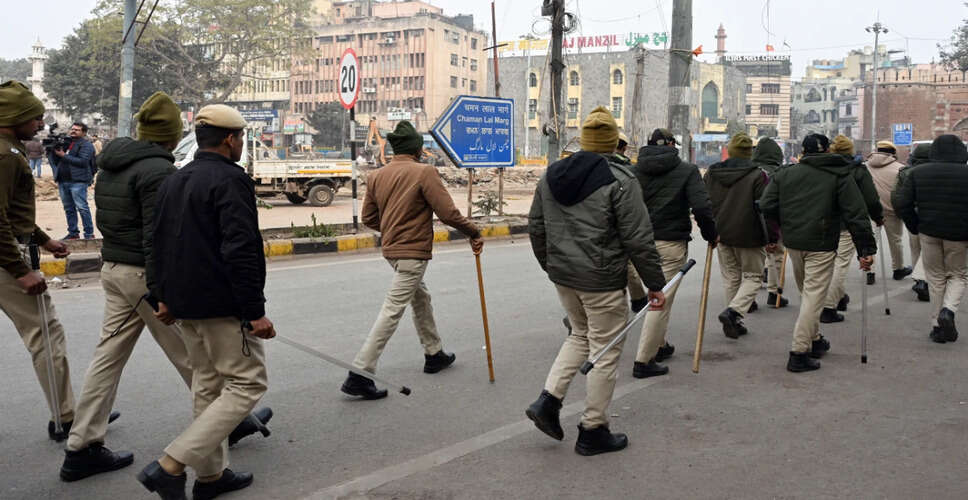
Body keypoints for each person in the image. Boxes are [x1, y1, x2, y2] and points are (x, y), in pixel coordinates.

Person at [60, 93, 271, 483]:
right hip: (151, 278)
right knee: (210, 367)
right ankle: (207, 438)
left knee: (112, 358)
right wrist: (162, 294)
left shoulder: (113, 166)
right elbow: (161, 238)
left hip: (114, 268)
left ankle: (82, 443)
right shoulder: (164, 172)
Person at [137, 105, 275, 500]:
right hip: (221, 304)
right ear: (230, 139)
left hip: (183, 305)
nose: (241, 144)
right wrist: (254, 311)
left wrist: (161, 296)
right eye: (241, 138)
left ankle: (212, 477)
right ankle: (171, 464)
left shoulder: (175, 179)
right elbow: (240, 248)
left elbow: (156, 243)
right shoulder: (231, 180)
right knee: (248, 383)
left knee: (207, 386)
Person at [525, 106, 666, 456]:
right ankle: (593, 429)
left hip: (564, 276)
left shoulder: (552, 175)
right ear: (612, 142)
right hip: (601, 280)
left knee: (580, 334)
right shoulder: (621, 180)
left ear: (585, 141)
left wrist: (551, 267)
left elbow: (536, 227)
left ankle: (548, 401)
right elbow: (638, 239)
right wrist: (655, 284)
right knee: (605, 350)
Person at [341, 121, 483, 400]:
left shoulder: (377, 175)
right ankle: (360, 373)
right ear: (417, 149)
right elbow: (448, 213)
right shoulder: (424, 172)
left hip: (392, 251)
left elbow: (369, 218)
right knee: (392, 310)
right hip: (412, 253)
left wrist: (392, 229)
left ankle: (434, 353)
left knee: (421, 298)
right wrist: (474, 232)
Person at [0, 80, 77, 440]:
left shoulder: (10, 152)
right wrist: (20, 271)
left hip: (15, 249)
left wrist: (44, 241)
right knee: (46, 334)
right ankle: (66, 419)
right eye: (34, 117)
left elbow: (12, 213)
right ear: (13, 118)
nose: (40, 124)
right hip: (7, 259)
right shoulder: (5, 157)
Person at [760, 133, 876, 373]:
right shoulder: (838, 175)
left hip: (794, 242)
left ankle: (814, 339)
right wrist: (865, 249)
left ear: (803, 151)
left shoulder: (785, 174)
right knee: (812, 297)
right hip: (821, 243)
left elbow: (766, 204)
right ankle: (799, 351)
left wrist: (784, 223)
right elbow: (855, 213)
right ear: (827, 151)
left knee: (807, 294)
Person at [631, 128, 717, 378]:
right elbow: (701, 207)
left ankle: (659, 344)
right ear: (671, 145)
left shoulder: (633, 171)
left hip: (638, 243)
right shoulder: (687, 171)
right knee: (660, 301)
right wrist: (711, 234)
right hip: (670, 243)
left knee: (655, 296)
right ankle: (644, 360)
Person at [894, 134, 968, 344]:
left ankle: (937, 326)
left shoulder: (918, 172)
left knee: (935, 277)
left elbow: (902, 202)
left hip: (929, 232)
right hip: (960, 234)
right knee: (958, 275)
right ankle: (948, 311)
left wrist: (915, 225)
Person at [705, 133, 776, 339]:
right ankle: (733, 312)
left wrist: (710, 231)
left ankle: (734, 321)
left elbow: (705, 203)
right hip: (749, 234)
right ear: (749, 153)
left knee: (731, 278)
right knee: (753, 277)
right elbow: (766, 209)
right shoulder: (758, 175)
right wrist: (772, 237)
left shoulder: (711, 173)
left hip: (722, 233)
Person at [819, 135, 884, 323]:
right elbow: (871, 198)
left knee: (827, 263)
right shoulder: (858, 170)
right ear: (850, 150)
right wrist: (877, 216)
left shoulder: (824, 168)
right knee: (839, 264)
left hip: (825, 222)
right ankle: (828, 307)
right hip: (848, 223)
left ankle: (839, 297)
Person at [752, 137, 789, 307]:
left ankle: (749, 296)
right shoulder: (780, 173)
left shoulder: (751, 171)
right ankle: (774, 293)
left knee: (754, 257)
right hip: (774, 220)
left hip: (752, 220)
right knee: (776, 256)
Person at [867, 140, 912, 281]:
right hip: (892, 212)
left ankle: (870, 273)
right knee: (896, 241)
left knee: (870, 241)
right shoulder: (900, 168)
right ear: (893, 153)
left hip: (870, 211)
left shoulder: (865, 167)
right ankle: (898, 269)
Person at [893, 143, 932, 302]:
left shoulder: (905, 172)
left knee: (915, 249)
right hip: (930, 217)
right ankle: (924, 281)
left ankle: (917, 279)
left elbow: (896, 196)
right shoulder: (934, 171)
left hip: (912, 216)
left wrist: (903, 215)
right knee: (930, 250)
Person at [48, 121, 95, 239]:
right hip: (63, 180)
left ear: (84, 133)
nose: (73, 131)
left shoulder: (86, 145)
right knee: (69, 209)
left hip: (78, 181)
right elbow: (56, 161)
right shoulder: (66, 143)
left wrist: (63, 155)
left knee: (82, 208)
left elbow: (83, 162)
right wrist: (52, 151)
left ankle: (89, 234)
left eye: (77, 130)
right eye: (72, 129)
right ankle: (73, 233)